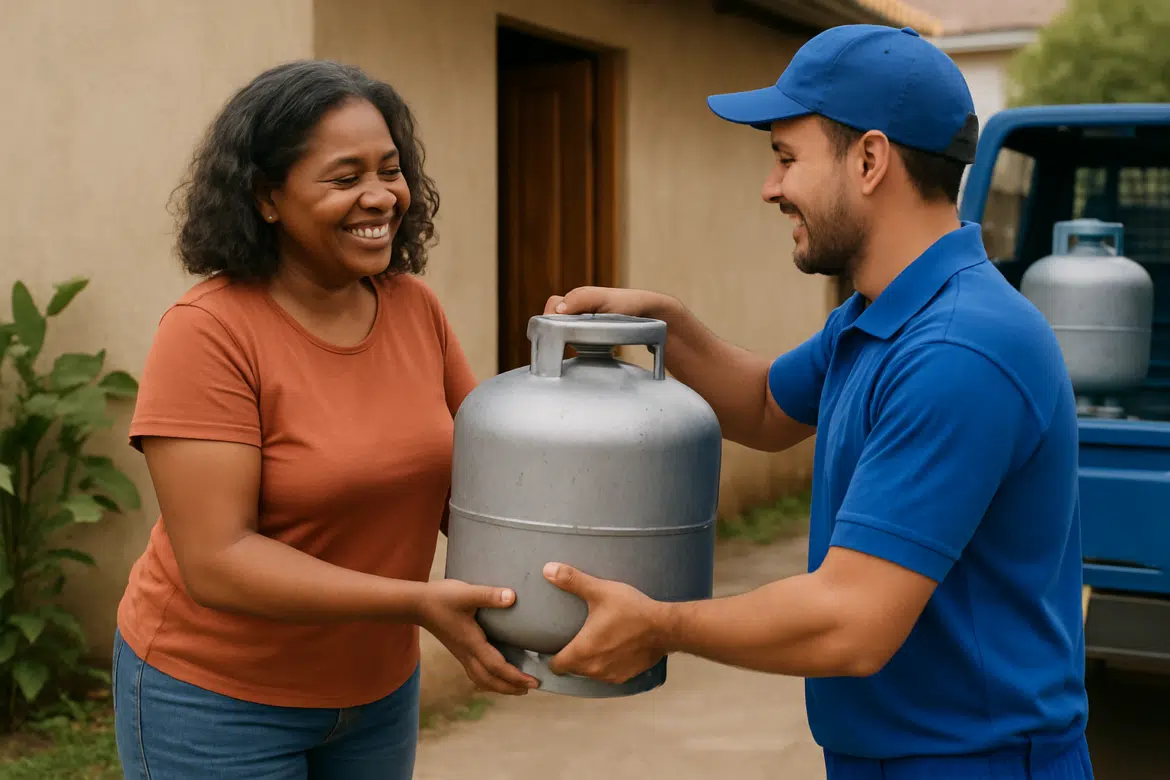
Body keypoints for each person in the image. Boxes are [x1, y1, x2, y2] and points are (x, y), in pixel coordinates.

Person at [539, 24, 1093, 780]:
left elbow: (850, 622)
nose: (771, 188)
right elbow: (767, 407)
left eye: (786, 158)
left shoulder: (959, 350)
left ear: (869, 160)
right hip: (892, 755)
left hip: (973, 761)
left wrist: (660, 625)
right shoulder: (880, 313)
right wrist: (667, 323)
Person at [111, 60, 538, 780]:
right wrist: (418, 603)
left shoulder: (414, 308)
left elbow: (477, 489)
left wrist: (557, 585)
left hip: (377, 694)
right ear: (266, 197)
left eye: (390, 170)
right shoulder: (209, 331)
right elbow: (218, 561)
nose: (380, 196)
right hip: (216, 701)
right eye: (345, 178)